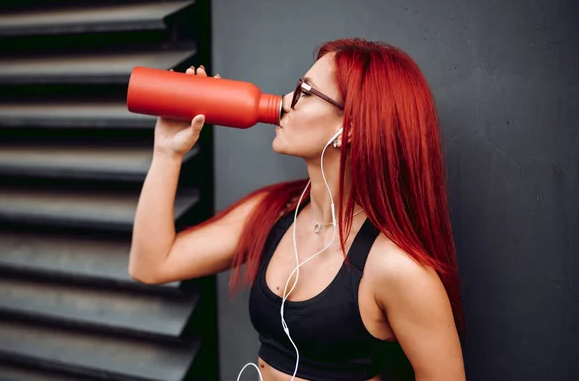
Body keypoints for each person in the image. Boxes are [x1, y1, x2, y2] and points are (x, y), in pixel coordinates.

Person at [129, 38, 466, 381]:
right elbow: (152, 265)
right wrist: (167, 152)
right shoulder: (274, 213)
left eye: (306, 91)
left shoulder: (396, 268)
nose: (286, 102)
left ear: (347, 128)